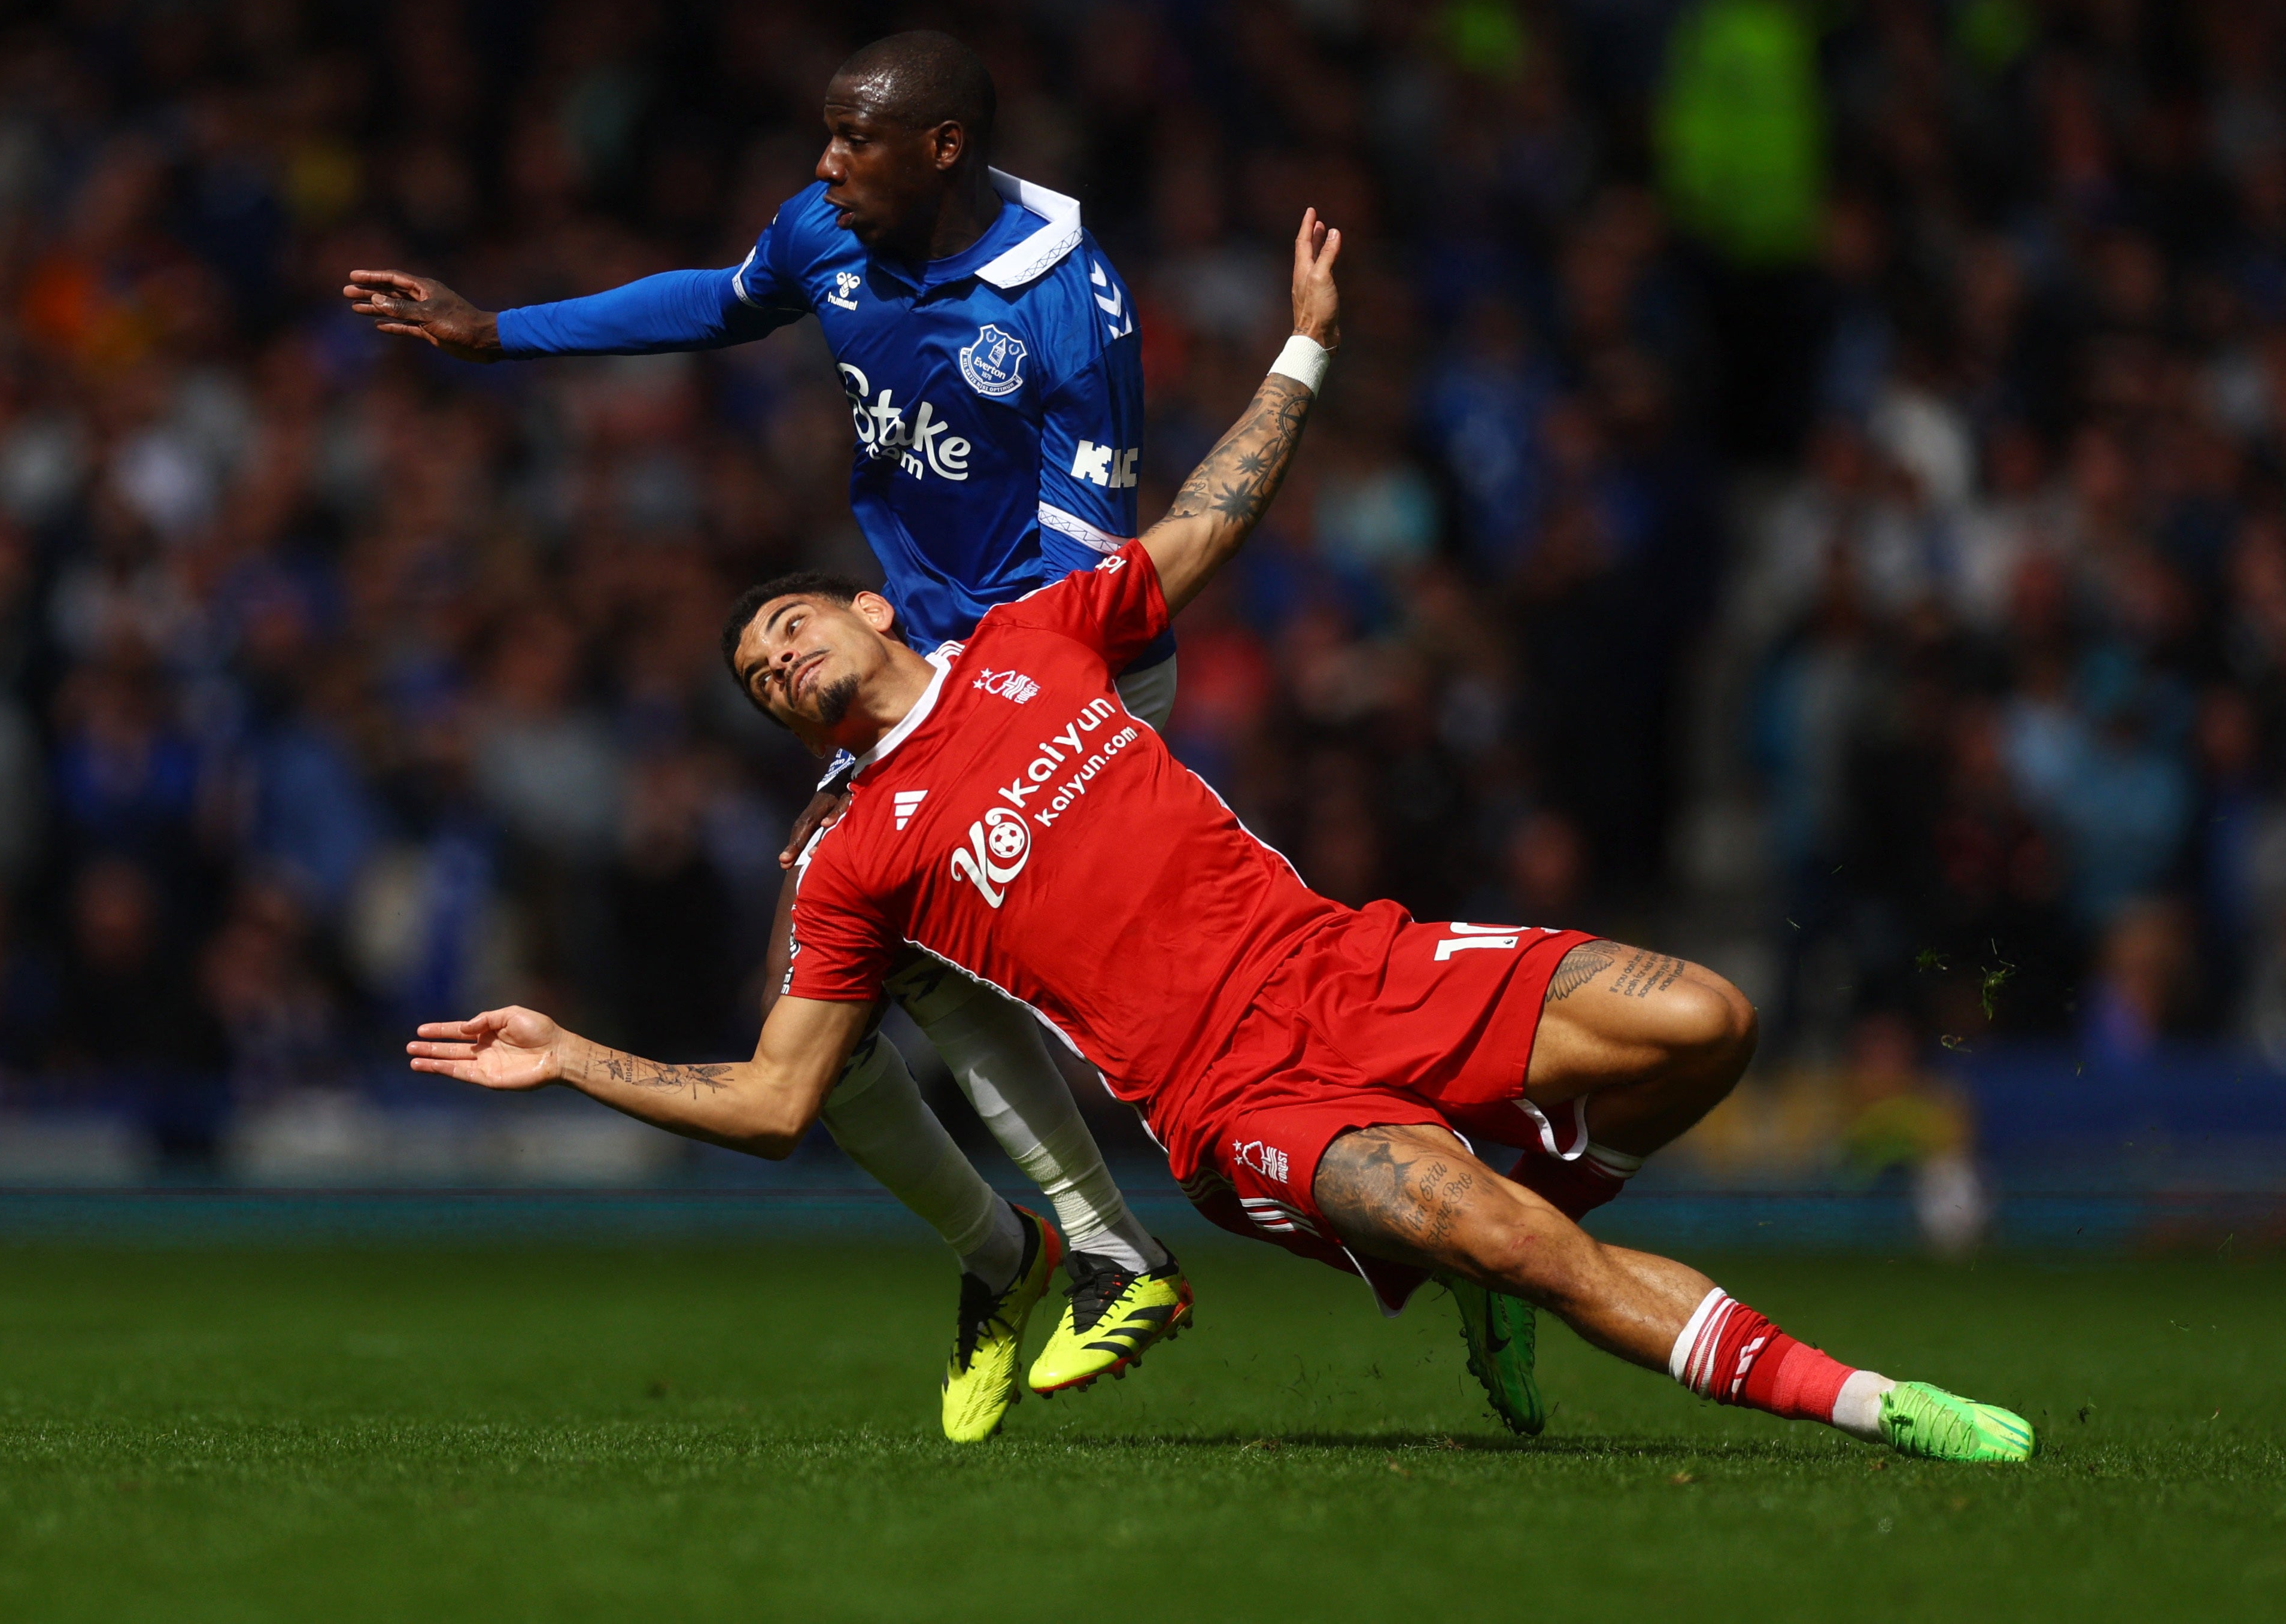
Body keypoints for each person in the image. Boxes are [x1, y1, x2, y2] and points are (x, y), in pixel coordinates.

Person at [408, 214, 2035, 1464]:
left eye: (781, 627)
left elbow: (1210, 519)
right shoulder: (851, 853)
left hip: (1345, 961)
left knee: (1709, 1020)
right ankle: (1879, 1403)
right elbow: (776, 1097)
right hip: (1234, 1099)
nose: (776, 663)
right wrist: (571, 1053)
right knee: (1508, 1233)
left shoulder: (1036, 641)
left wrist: (1306, 348)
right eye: (757, 680)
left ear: (856, 601)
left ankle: (1510, 1258)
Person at [345, 31, 1186, 1441]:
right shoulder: (828, 233)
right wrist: (497, 333)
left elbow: (1085, 565)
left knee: (1028, 975)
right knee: (856, 987)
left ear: (944, 150)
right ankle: (1043, 1252)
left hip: (1065, 666)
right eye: (824, 137)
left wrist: (939, 729)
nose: (822, 165)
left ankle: (1087, 1246)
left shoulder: (1069, 302)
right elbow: (722, 301)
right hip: (922, 674)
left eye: (854, 143)